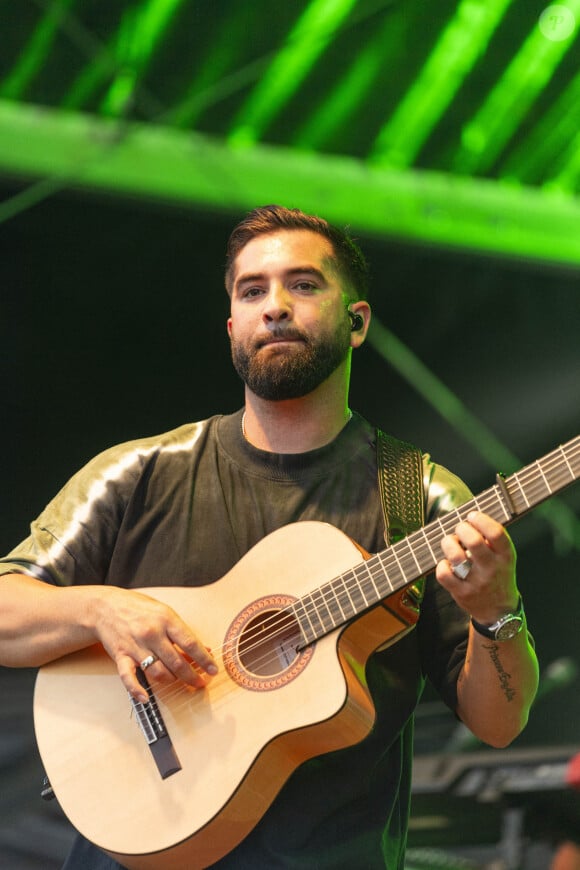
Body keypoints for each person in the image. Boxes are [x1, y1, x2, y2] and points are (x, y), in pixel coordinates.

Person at [0, 205, 538, 869]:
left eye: (304, 285)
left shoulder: (422, 498)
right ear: (232, 328)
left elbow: (499, 723)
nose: (275, 306)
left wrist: (497, 611)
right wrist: (99, 608)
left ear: (358, 321)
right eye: (252, 290)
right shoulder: (139, 473)